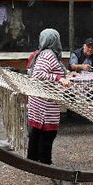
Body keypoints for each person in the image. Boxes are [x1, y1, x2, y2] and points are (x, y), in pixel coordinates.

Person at [26, 28, 71, 165]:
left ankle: (33, 159)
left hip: (39, 99)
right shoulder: (48, 54)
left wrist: (64, 74)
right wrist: (59, 78)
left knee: (37, 132)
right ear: (54, 40)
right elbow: (38, 74)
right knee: (48, 133)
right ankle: (45, 162)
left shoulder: (44, 53)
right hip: (45, 102)